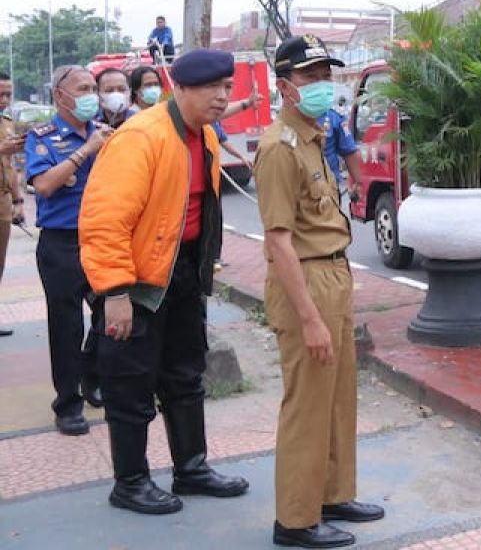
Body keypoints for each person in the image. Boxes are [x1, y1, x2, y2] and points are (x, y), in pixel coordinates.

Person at [79, 49, 249, 516]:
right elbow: (104, 221)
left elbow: (199, 211)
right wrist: (114, 292)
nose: (221, 97)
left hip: (183, 277)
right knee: (130, 384)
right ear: (181, 88)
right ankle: (130, 482)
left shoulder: (206, 137)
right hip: (136, 284)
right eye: (211, 88)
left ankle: (191, 468)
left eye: (227, 88)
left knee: (185, 374)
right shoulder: (141, 137)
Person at [254, 34, 384, 549]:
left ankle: (331, 495)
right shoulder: (278, 149)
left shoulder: (314, 134)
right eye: (310, 78)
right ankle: (295, 520)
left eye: (326, 76)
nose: (323, 86)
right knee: (307, 403)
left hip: (333, 274)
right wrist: (308, 317)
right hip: (304, 280)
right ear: (285, 87)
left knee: (336, 398)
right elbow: (279, 241)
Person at [25, 65, 113, 435]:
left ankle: (91, 376)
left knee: (111, 315)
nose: (92, 94)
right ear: (60, 95)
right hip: (61, 244)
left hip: (102, 238)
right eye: (83, 88)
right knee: (66, 325)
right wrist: (85, 153)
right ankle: (67, 404)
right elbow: (44, 185)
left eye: (94, 87)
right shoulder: (42, 136)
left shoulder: (105, 133)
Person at [0, 72, 25, 337]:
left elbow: (11, 166)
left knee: (0, 263)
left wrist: (18, 201)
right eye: (0, 94)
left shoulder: (7, 122)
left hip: (3, 200)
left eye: (8, 94)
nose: (4, 100)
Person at [318, 108, 362, 204]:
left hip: (329, 188)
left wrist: (358, 183)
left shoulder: (333, 117)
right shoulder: (290, 117)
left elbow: (348, 151)